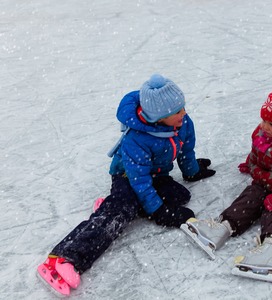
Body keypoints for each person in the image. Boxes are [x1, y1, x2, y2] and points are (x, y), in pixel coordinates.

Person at [37, 74, 216, 296]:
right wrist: (158, 211)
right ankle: (66, 258)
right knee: (121, 212)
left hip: (156, 174)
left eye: (183, 107)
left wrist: (192, 171)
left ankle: (114, 203)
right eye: (177, 112)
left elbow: (186, 149)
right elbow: (138, 179)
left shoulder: (182, 123)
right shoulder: (137, 139)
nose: (184, 113)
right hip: (127, 176)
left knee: (179, 195)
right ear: (159, 117)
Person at [181, 78, 272, 283]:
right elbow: (258, 153)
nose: (264, 126)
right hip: (264, 181)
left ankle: (269, 249)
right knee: (248, 199)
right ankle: (222, 228)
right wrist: (251, 164)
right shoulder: (262, 133)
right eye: (263, 120)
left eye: (271, 123)